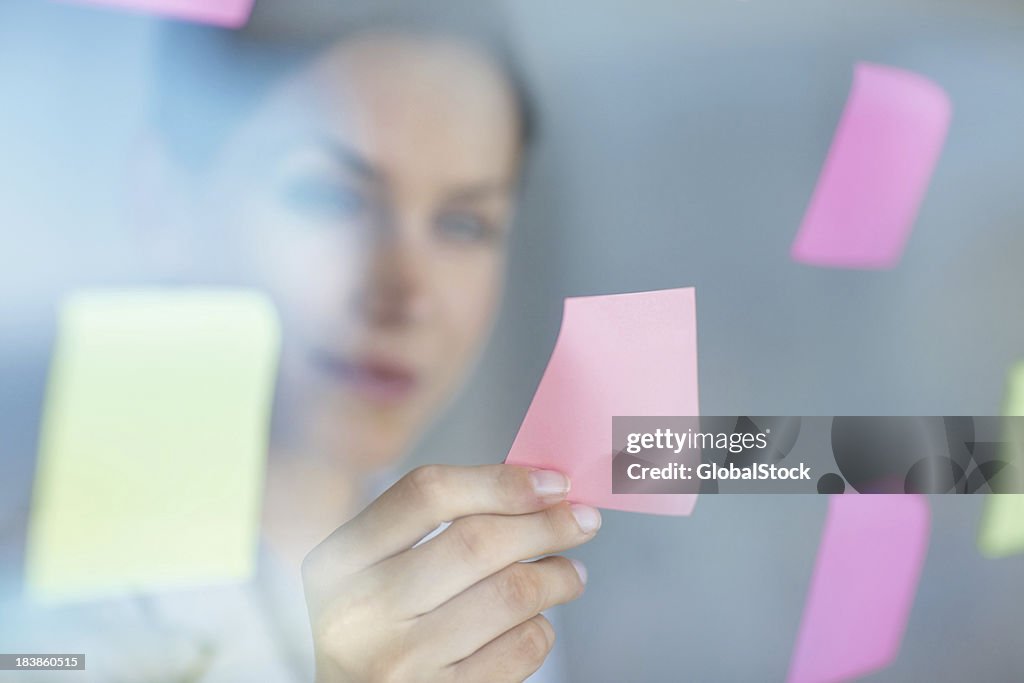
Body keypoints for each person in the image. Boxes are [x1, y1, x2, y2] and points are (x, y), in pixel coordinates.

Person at [2, 2, 598, 682]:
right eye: (331, 198)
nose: (406, 293)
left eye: (464, 224)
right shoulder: (39, 628)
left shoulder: (487, 598)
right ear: (164, 200)